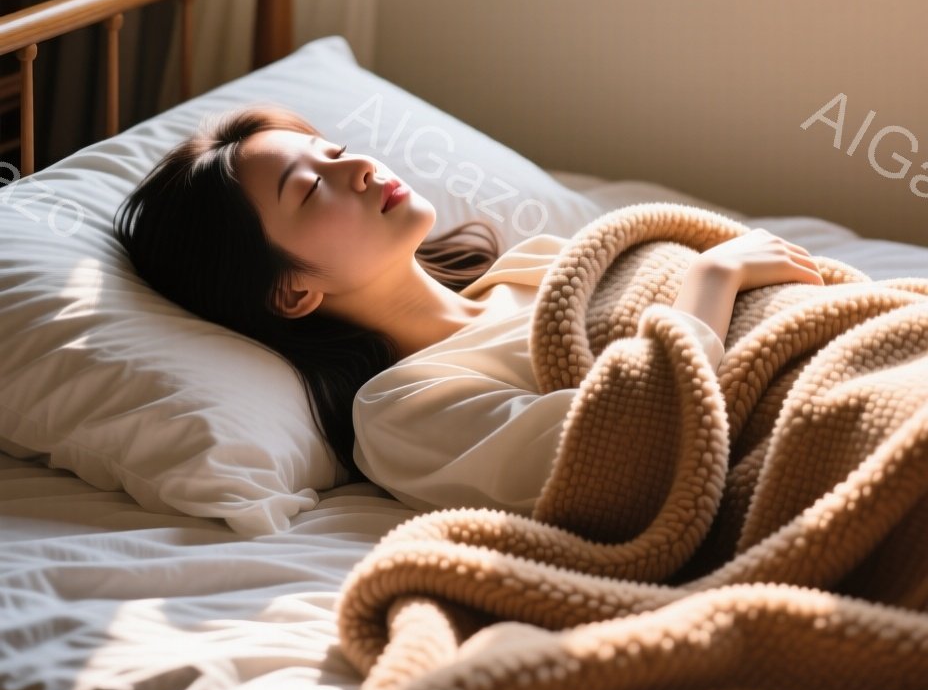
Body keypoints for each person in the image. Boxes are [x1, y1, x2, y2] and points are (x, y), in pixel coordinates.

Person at [114, 106, 825, 515]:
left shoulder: (538, 266)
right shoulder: (399, 413)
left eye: (334, 151)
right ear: (292, 292)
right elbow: (622, 458)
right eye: (310, 188)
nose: (357, 167)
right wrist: (711, 280)